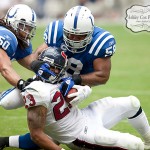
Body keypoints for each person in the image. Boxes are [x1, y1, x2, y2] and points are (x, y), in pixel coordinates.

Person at [0, 47, 150, 150]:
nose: (57, 72)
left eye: (59, 69)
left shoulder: (55, 80)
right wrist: (22, 86)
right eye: (54, 68)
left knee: (132, 102)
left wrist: (83, 90)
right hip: (80, 134)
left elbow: (83, 88)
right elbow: (37, 134)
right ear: (43, 65)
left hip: (86, 116)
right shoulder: (36, 90)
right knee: (135, 144)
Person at [31, 5, 116, 87]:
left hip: (79, 84)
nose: (74, 39)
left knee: (70, 95)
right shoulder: (56, 32)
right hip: (52, 76)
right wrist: (38, 66)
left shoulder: (99, 42)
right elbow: (36, 56)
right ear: (64, 30)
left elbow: (102, 76)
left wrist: (77, 79)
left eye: (80, 36)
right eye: (70, 35)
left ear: (90, 33)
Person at [0, 4, 36, 90]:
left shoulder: (19, 42)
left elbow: (33, 64)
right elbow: (5, 68)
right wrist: (22, 84)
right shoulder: (7, 36)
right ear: (12, 21)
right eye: (23, 26)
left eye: (29, 29)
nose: (26, 32)